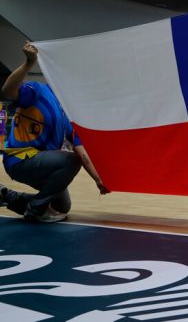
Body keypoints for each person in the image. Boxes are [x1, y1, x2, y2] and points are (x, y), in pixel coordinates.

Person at [0, 42, 109, 223]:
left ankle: (7, 196)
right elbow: (7, 91)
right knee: (71, 160)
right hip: (20, 159)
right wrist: (28, 63)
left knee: (61, 206)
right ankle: (35, 209)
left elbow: (82, 152)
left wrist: (99, 180)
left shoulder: (68, 114)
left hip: (41, 164)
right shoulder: (37, 91)